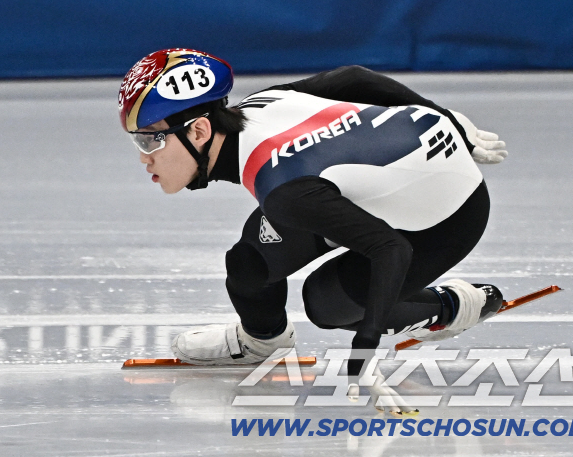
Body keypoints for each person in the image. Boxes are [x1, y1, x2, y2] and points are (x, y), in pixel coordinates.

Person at [118, 48, 509, 415]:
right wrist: (443, 116)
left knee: (329, 304)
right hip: (356, 188)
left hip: (444, 215)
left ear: (200, 131)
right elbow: (352, 77)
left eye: (151, 138)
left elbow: (391, 250)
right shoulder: (263, 105)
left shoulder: (284, 189)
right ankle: (262, 341)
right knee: (249, 265)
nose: (142, 156)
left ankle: (451, 307)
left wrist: (366, 348)